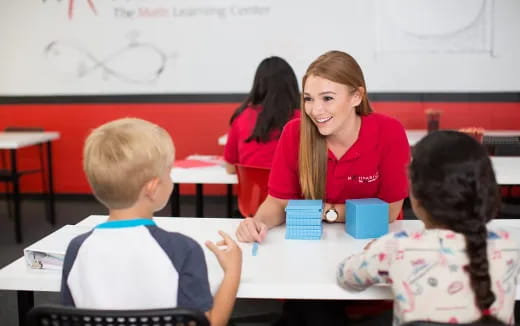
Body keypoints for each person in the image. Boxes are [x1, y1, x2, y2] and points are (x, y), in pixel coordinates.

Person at [60, 118, 242, 326]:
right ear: (153, 188)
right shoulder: (183, 249)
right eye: (168, 173)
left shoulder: (76, 249)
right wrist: (232, 272)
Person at [337, 130, 520, 325]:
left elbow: (346, 277)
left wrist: (373, 250)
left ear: (416, 195)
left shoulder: (395, 248)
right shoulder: (510, 247)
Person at [235, 50, 410, 243]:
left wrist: (327, 212)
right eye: (309, 99)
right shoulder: (294, 132)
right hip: (315, 245)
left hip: (375, 241)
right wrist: (258, 222)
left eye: (327, 98)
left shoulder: (389, 131)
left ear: (357, 97)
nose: (315, 110)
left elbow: (391, 210)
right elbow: (277, 202)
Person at [224, 56, 300, 174]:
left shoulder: (241, 116)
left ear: (258, 84)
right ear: (291, 85)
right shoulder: (301, 119)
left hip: (252, 192)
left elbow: (230, 168)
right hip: (289, 192)